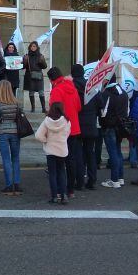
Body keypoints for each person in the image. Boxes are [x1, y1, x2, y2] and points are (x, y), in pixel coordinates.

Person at [48, 66, 82, 198]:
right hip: (74, 127)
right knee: (71, 159)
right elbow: (79, 107)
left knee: (59, 162)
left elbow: (53, 111)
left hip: (61, 129)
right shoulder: (72, 87)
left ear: (51, 80)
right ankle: (71, 189)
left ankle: (59, 190)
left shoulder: (56, 90)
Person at [0, 80, 24, 194]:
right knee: (16, 158)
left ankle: (9, 185)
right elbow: (21, 116)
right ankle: (17, 184)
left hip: (2, 132)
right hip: (15, 131)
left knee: (6, 159)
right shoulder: (16, 102)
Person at [72, 64, 101, 190]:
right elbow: (101, 103)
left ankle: (79, 182)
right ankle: (92, 180)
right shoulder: (91, 87)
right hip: (91, 124)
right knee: (90, 153)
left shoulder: (71, 86)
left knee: (78, 154)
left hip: (77, 124)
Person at [35, 102, 71, 205]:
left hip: (50, 150)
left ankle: (54, 196)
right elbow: (67, 134)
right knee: (62, 172)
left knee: (52, 174)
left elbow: (38, 135)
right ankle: (64, 195)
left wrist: (46, 140)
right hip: (62, 150)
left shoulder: (47, 121)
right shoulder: (67, 121)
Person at [99, 77, 129, 189]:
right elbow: (127, 110)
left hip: (109, 127)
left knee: (113, 153)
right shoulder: (124, 93)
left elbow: (103, 112)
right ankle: (120, 178)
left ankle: (114, 180)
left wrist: (102, 123)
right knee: (118, 151)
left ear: (107, 81)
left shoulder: (107, 93)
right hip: (121, 127)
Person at [23, 42, 47, 112]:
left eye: (34, 46)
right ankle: (33, 108)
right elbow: (23, 67)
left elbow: (45, 67)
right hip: (30, 76)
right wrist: (25, 60)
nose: (33, 48)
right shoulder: (27, 56)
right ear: (30, 47)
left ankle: (43, 108)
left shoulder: (40, 56)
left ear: (37, 47)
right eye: (31, 46)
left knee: (41, 92)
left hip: (39, 76)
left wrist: (42, 61)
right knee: (31, 92)